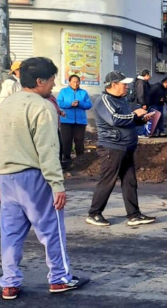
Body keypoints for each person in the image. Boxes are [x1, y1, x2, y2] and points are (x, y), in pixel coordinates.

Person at [0, 57, 89, 300]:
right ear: (39, 81)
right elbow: (48, 149)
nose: (53, 85)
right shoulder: (42, 106)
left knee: (10, 233)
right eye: (51, 80)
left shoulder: (6, 104)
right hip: (34, 177)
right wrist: (57, 184)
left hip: (5, 178)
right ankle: (60, 278)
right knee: (51, 230)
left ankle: (9, 283)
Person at [86, 71, 156, 227]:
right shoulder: (104, 100)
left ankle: (134, 215)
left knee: (129, 181)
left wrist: (140, 119)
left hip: (126, 147)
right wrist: (134, 114)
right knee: (107, 181)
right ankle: (94, 213)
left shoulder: (122, 100)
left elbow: (127, 121)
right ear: (113, 85)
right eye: (123, 84)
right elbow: (115, 119)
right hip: (112, 148)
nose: (126, 87)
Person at [57, 75, 92, 170]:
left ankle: (80, 160)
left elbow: (89, 105)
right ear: (69, 82)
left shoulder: (83, 93)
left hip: (80, 121)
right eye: (73, 81)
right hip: (66, 120)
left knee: (79, 140)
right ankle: (66, 160)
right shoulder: (63, 92)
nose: (75, 84)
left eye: (77, 82)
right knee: (66, 141)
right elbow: (59, 103)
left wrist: (80, 103)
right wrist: (70, 104)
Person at [134, 70, 151, 137]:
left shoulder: (144, 82)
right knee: (140, 117)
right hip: (141, 104)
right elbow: (140, 94)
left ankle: (142, 132)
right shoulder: (141, 83)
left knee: (144, 118)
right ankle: (139, 133)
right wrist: (143, 103)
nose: (150, 77)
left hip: (143, 103)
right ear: (146, 75)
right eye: (149, 75)